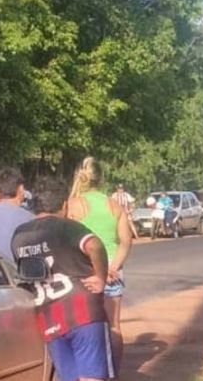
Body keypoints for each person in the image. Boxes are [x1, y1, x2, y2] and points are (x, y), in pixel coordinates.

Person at [11, 176, 113, 381]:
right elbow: (94, 245)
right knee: (92, 376)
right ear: (64, 205)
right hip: (83, 313)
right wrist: (100, 277)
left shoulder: (19, 235)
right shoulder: (67, 227)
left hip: (48, 316)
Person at [67, 157, 133, 371]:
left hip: (85, 273)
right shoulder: (114, 205)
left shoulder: (74, 205)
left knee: (84, 326)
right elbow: (126, 241)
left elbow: (67, 240)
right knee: (114, 327)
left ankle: (92, 372)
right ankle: (114, 372)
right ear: (101, 178)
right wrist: (113, 267)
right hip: (113, 272)